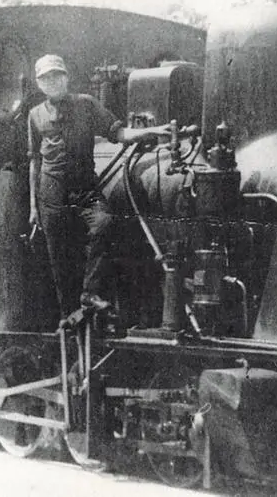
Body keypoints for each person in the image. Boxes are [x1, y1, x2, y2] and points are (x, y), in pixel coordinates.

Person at [27, 54, 171, 318]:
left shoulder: (87, 105)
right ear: (39, 83)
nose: (53, 81)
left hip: (85, 189)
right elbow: (34, 162)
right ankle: (69, 320)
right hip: (51, 193)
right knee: (59, 260)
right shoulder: (35, 116)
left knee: (104, 224)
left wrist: (153, 132)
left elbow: (118, 133)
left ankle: (90, 293)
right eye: (46, 78)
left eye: (57, 75)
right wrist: (34, 207)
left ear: (66, 78)